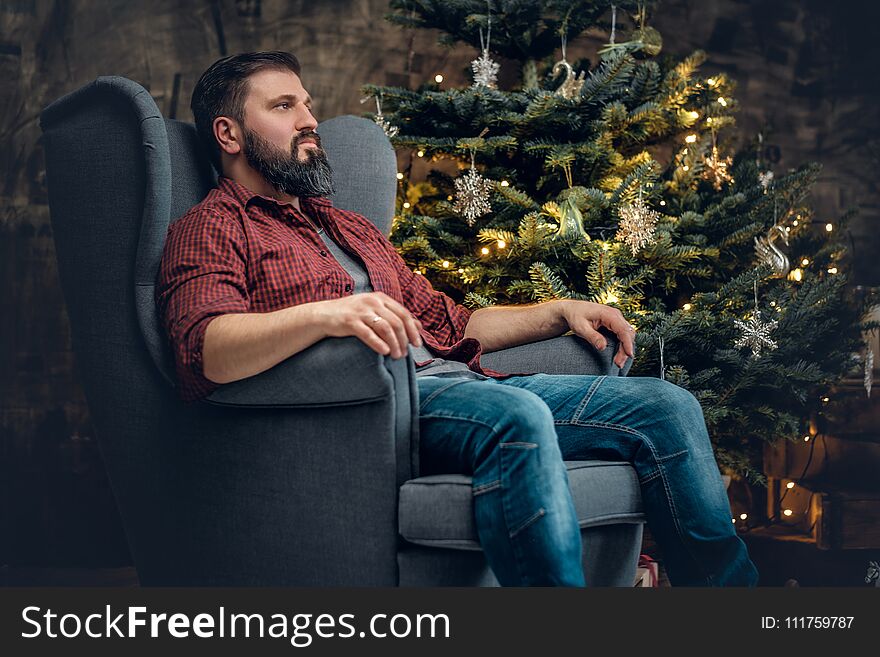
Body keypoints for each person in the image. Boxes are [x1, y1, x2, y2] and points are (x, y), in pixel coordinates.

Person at [156, 51, 759, 587]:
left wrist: (558, 312)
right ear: (229, 134)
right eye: (284, 106)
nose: (310, 120)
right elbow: (203, 349)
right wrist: (327, 314)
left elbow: (453, 323)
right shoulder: (213, 226)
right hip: (384, 410)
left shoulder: (348, 227)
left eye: (307, 104)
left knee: (666, 406)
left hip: (466, 386)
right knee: (516, 415)